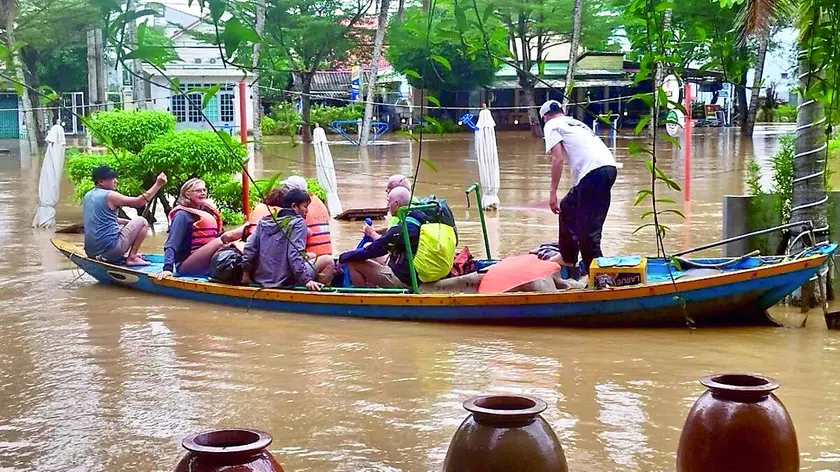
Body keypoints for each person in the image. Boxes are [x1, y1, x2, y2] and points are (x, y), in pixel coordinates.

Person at [540, 99, 618, 277]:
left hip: (593, 173)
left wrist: (552, 193)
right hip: (608, 168)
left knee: (588, 230)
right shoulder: (576, 123)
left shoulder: (551, 125)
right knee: (568, 206)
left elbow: (557, 159)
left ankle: (598, 276)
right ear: (562, 111)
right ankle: (568, 257)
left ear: (544, 117)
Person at [241, 188, 334, 290]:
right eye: (305, 207)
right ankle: (317, 294)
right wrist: (306, 280)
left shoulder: (265, 221)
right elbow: (294, 254)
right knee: (328, 261)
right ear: (294, 206)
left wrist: (246, 274)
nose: (307, 211)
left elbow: (249, 247)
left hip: (261, 278)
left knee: (311, 255)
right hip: (285, 280)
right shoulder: (298, 223)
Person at [339, 186, 428, 288]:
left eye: (389, 202)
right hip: (410, 271)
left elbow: (373, 250)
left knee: (352, 262)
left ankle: (364, 297)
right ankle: (373, 287)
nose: (387, 206)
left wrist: (343, 257)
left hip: (403, 280)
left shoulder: (402, 229)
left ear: (396, 204)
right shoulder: (416, 217)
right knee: (368, 250)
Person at [156, 178, 244, 279]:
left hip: (205, 260)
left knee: (233, 244)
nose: (203, 193)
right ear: (187, 194)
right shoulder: (182, 215)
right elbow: (171, 243)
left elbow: (221, 236)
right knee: (220, 241)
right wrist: (167, 268)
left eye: (204, 190)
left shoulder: (206, 212)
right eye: (198, 191)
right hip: (186, 265)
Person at [82, 165, 167, 266]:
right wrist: (158, 185)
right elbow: (139, 202)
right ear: (101, 182)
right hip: (110, 252)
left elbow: (107, 219)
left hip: (91, 252)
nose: (116, 181)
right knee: (142, 221)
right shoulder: (110, 195)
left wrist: (127, 222)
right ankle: (132, 258)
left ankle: (124, 254)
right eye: (112, 178)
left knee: (123, 225)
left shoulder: (88, 195)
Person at [285, 176, 333, 257]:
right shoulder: (318, 201)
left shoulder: (300, 207)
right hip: (327, 252)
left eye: (286, 188)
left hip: (312, 254)